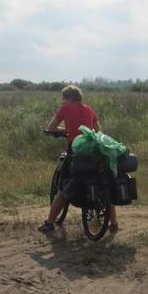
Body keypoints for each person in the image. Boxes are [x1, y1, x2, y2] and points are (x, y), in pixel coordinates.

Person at [39, 84, 118, 233]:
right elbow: (97, 132)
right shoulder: (89, 109)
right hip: (94, 152)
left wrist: (65, 131)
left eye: (63, 99)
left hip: (76, 151)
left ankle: (49, 224)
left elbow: (51, 128)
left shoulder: (65, 109)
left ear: (68, 98)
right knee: (104, 181)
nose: (62, 102)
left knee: (63, 190)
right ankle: (113, 224)